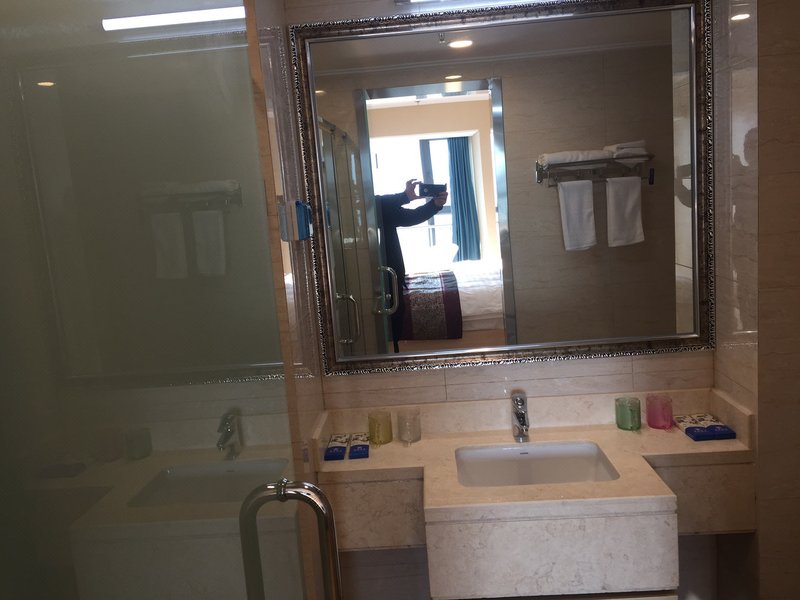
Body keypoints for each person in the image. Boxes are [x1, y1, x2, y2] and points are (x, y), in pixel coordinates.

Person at [376, 179, 448, 352]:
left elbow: (412, 216)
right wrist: (405, 196)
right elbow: (376, 203)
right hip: (379, 275)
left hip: (390, 274)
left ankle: (393, 350)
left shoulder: (382, 208)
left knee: (395, 313)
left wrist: (435, 205)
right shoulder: (368, 207)